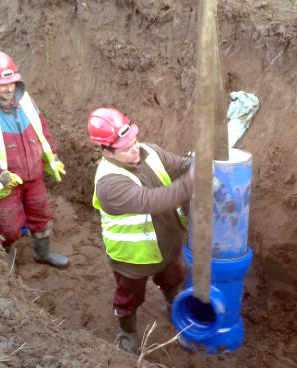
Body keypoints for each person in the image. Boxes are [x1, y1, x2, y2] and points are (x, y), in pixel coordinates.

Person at [87, 107, 193, 353]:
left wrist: (198, 165)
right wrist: (192, 181)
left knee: (174, 280)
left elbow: (179, 166)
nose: (135, 149)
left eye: (134, 141)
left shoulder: (149, 152)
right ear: (107, 151)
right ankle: (128, 333)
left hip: (167, 246)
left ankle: (173, 308)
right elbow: (151, 200)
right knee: (129, 298)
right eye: (126, 148)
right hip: (133, 258)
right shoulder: (109, 183)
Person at [0, 49, 69, 269]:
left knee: (42, 217)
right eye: (3, 84)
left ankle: (42, 253)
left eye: (12, 82)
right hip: (4, 183)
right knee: (9, 227)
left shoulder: (26, 102)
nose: (10, 88)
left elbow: (42, 131)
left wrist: (53, 156)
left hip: (33, 176)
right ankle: (4, 257)